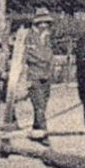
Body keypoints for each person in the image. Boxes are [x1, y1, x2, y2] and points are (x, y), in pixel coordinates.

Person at [24, 7, 55, 143]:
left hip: (46, 76)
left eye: (47, 23)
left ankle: (36, 128)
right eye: (43, 23)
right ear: (37, 24)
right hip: (34, 76)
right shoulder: (29, 37)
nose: (46, 26)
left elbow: (50, 55)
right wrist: (44, 59)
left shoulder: (47, 38)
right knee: (39, 105)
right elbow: (30, 56)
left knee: (43, 104)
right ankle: (44, 136)